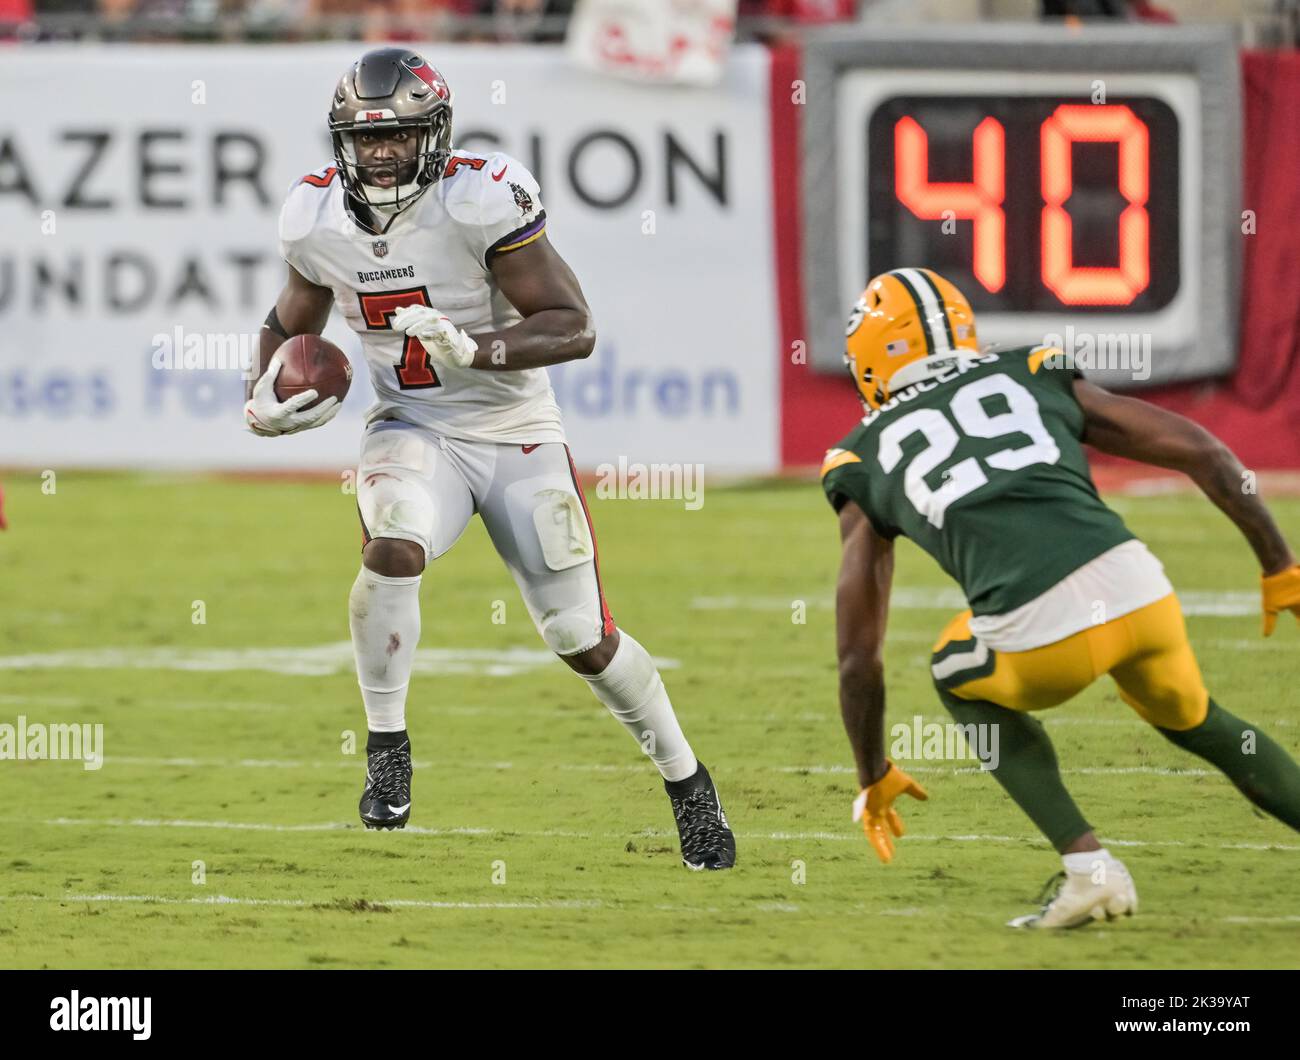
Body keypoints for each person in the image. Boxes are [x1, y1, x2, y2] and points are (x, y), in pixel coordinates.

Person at [243, 47, 735, 870]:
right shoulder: (313, 217)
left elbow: (573, 325)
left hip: (516, 430)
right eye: (366, 141)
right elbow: (288, 321)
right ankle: (389, 749)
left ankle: (687, 783)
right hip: (411, 425)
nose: (382, 155)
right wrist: (260, 391)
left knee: (581, 634)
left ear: (433, 136)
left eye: (399, 138)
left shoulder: (482, 198)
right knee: (392, 546)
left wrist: (478, 347)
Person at [822, 266, 1300, 926]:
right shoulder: (1030, 370)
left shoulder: (861, 456)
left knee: (954, 672)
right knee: (1200, 720)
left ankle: (1089, 869)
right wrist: (1279, 564)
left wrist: (872, 771)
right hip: (1141, 592)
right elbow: (1203, 450)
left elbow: (857, 658)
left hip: (1042, 634)